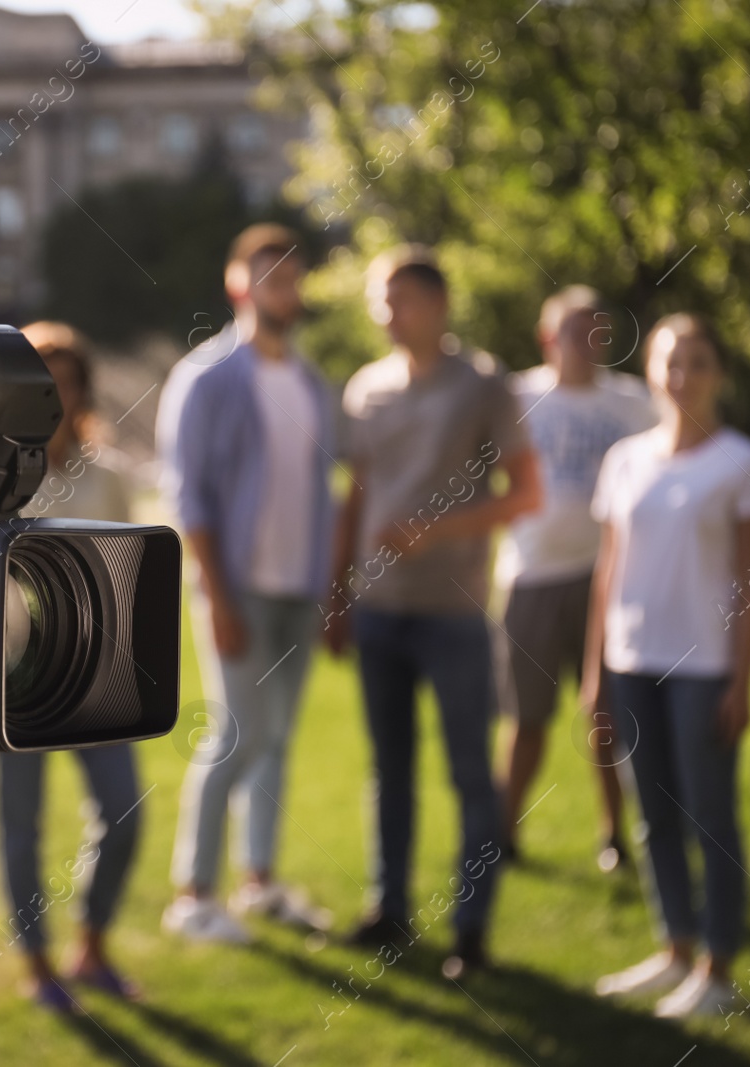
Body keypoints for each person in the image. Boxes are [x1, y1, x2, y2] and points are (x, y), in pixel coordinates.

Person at [326, 246, 542, 979]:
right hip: (380, 610)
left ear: (439, 305)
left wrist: (434, 530)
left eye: (402, 299)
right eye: (381, 300)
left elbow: (526, 494)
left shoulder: (483, 383)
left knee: (469, 776)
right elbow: (355, 497)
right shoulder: (365, 389)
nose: (388, 313)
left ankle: (471, 934)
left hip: (454, 613)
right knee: (390, 770)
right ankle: (390, 911)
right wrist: (337, 595)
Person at [587, 314, 750, 1018]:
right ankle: (674, 948)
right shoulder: (625, 459)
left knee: (710, 817)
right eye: (670, 362)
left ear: (718, 374)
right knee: (652, 816)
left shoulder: (740, 463)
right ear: (650, 373)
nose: (682, 376)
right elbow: (608, 571)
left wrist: (742, 679)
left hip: (705, 668)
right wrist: (594, 671)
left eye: (697, 362)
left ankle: (719, 969)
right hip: (633, 659)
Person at [159, 223, 340, 944]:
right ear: (239, 283)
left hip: (300, 589)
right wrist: (217, 596)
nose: (283, 289)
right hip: (235, 589)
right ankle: (193, 894)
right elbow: (188, 498)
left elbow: (329, 491)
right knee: (237, 735)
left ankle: (259, 880)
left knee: (279, 737)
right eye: (270, 276)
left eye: (293, 277)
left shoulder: (312, 382)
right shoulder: (205, 378)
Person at [0, 321, 142, 1011]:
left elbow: (129, 575)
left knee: (124, 811)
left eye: (67, 380)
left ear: (82, 388)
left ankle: (91, 946)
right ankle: (38, 966)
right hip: (16, 681)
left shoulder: (108, 475)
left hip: (97, 676)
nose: (55, 394)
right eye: (41, 381)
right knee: (21, 827)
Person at [493, 287, 657, 869]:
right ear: (548, 338)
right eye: (573, 332)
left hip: (608, 580)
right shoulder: (516, 396)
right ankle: (501, 835)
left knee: (606, 716)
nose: (587, 345)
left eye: (597, 334)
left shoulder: (634, 402)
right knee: (525, 719)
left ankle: (615, 834)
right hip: (531, 577)